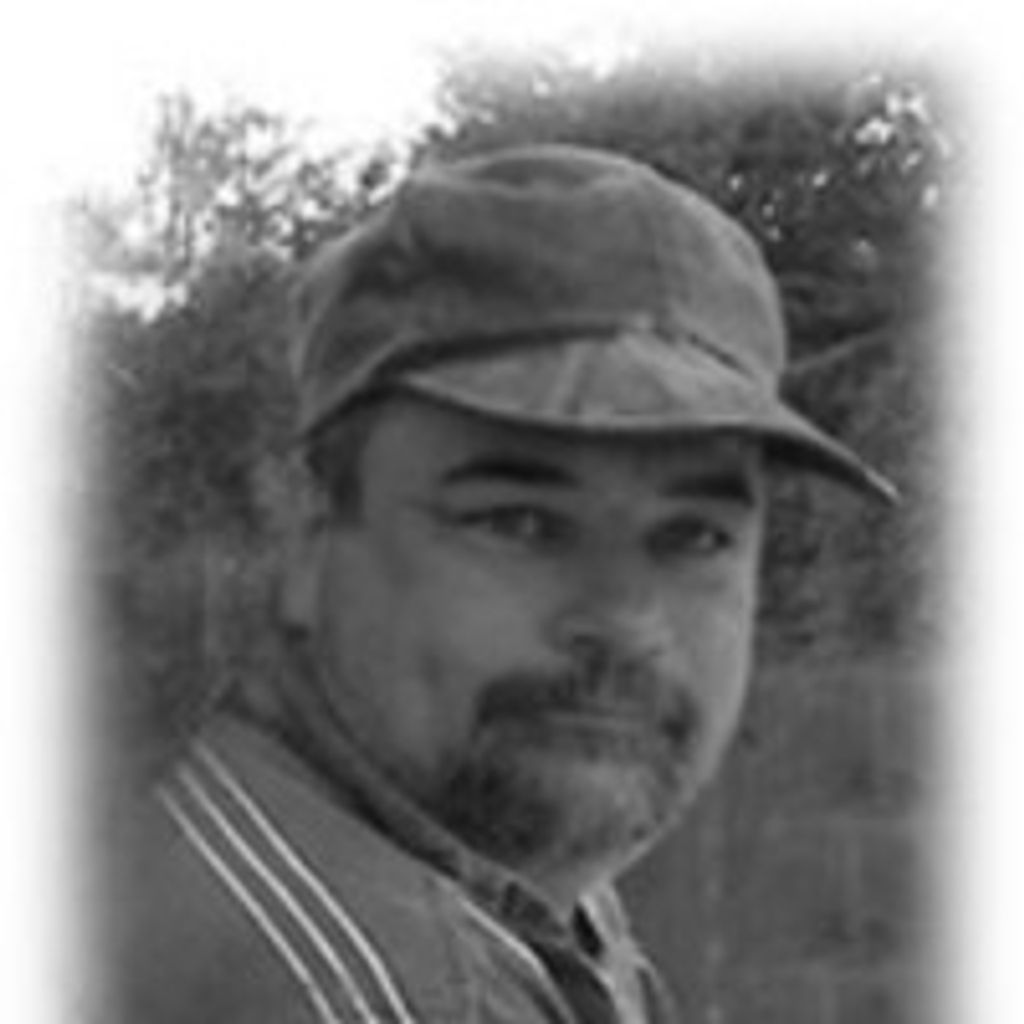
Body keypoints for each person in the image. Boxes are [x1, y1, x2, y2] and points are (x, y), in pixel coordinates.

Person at [113, 144, 895, 1024]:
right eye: (521, 523)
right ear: (304, 531)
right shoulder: (393, 994)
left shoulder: (480, 868)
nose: (624, 620)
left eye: (694, 536)